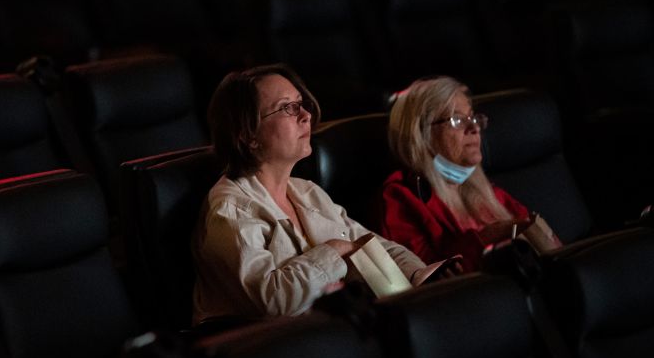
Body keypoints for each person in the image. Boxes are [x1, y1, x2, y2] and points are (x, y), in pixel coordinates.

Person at [192, 64, 427, 324]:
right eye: (287, 107)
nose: (305, 115)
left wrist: (420, 276)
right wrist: (335, 250)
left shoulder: (307, 191)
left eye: (301, 103)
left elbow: (371, 244)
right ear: (248, 135)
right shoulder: (230, 210)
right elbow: (273, 302)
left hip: (326, 335)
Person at [379, 76, 561, 273]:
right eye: (457, 120)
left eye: (473, 118)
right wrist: (485, 238)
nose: (474, 128)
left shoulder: (492, 193)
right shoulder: (400, 199)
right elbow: (427, 279)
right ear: (421, 134)